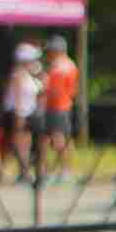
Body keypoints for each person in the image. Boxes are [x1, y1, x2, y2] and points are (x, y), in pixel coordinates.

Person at [0, 43, 40, 183]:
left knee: (26, 144)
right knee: (18, 144)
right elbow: (18, 98)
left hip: (28, 113)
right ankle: (16, 171)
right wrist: (19, 117)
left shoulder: (30, 75)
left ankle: (21, 171)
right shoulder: (17, 75)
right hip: (18, 114)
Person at [39, 33, 78, 180]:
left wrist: (44, 87)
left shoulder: (59, 68)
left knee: (58, 138)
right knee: (62, 137)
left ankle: (64, 170)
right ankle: (60, 169)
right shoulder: (69, 65)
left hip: (57, 107)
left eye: (50, 51)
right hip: (63, 105)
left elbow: (54, 90)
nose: (48, 54)